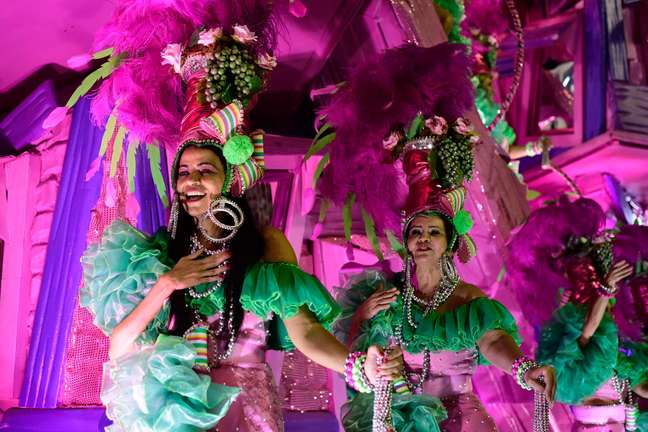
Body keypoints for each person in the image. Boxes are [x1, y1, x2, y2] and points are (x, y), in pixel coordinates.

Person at [78, 2, 402, 430]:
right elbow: (119, 348)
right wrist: (168, 283)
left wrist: (357, 366)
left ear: (231, 178)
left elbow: (303, 330)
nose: (190, 181)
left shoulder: (267, 246)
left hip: (249, 413)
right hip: (183, 415)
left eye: (205, 171)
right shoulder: (154, 255)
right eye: (184, 172)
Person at [313, 42, 556, 431]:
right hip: (403, 419)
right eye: (417, 232)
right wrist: (362, 314)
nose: (424, 238)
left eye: (433, 232)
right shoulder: (386, 294)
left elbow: (493, 341)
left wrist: (524, 371)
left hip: (460, 420)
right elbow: (357, 357)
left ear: (448, 241)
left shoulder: (468, 300)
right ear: (406, 242)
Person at [507, 198, 648, 432]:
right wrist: (605, 290)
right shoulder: (580, 336)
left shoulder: (619, 354)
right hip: (594, 419)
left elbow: (641, 385)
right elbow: (586, 333)